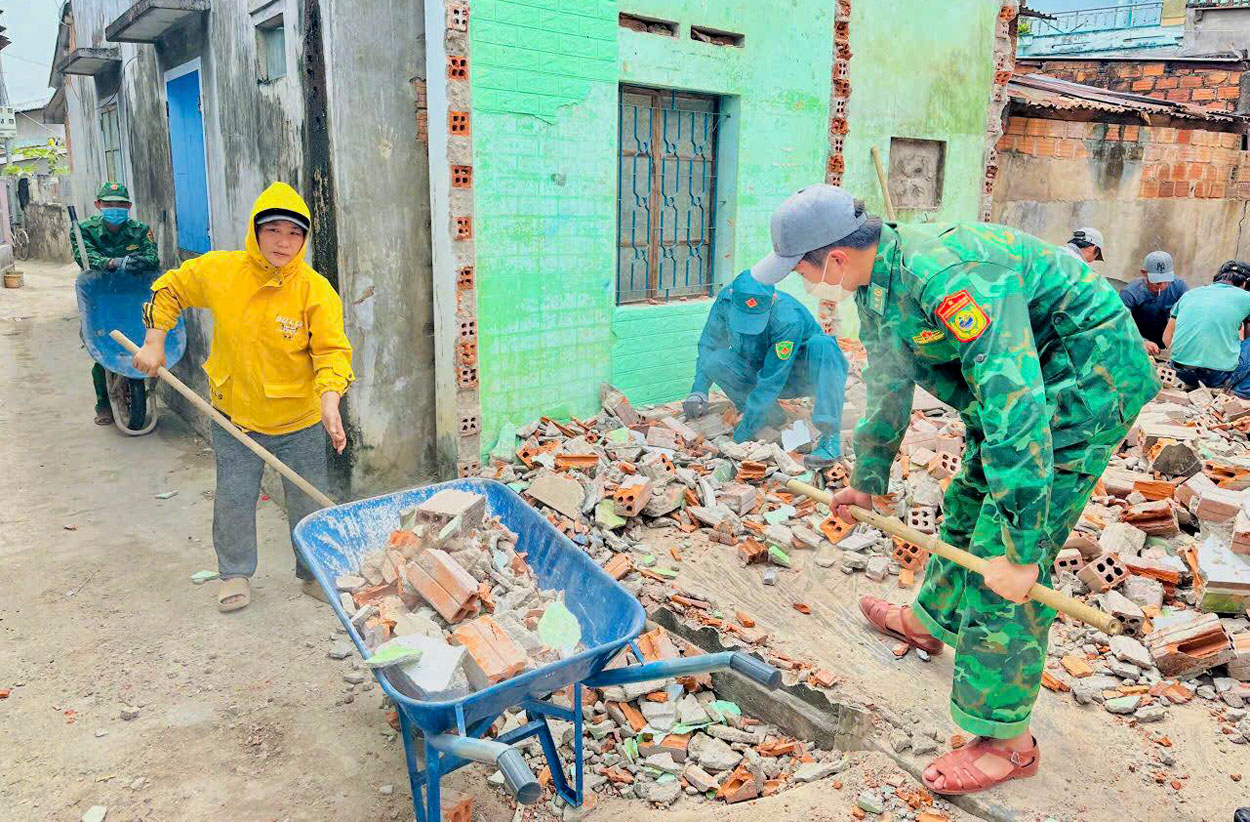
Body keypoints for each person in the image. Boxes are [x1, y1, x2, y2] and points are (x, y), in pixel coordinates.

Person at [770, 188, 1156, 795]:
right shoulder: (875, 285)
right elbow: (889, 382)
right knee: (970, 499)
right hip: (1020, 382)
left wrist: (1024, 549)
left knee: (1000, 557)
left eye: (802, 268)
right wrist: (868, 482)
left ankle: (1008, 741)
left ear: (836, 258)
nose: (803, 280)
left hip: (1085, 379)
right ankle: (931, 620)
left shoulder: (949, 281)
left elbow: (1016, 408)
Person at [132, 182, 354, 613]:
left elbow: (331, 351)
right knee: (234, 495)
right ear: (255, 231)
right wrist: (155, 341)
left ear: (304, 240)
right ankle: (234, 573)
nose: (283, 242)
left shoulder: (315, 290)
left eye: (294, 233)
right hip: (236, 415)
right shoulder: (223, 272)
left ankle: (312, 572)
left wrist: (330, 399)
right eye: (273, 230)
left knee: (308, 499)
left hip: (300, 419)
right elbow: (170, 288)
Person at [685, 185, 853, 466]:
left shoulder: (787, 318)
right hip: (759, 367)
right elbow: (709, 343)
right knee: (715, 360)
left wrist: (741, 435)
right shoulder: (726, 301)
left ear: (772, 301)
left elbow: (773, 378)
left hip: (796, 376)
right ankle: (771, 415)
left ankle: (829, 436)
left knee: (824, 345)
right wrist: (698, 389)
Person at [72, 181, 161, 425]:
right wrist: (111, 263)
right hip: (100, 296)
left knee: (142, 338)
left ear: (129, 206)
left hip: (132, 294)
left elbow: (153, 255)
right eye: (109, 204)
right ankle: (103, 403)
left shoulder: (140, 230)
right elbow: (84, 256)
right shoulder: (84, 230)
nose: (115, 208)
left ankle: (141, 389)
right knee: (101, 351)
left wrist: (141, 262)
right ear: (98, 205)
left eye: (120, 205)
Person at [1163, 260, 1250, 398]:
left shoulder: (1190, 294)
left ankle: (1197, 385)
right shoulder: (1247, 297)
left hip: (1181, 372)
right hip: (1217, 376)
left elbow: (1167, 337)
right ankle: (1236, 393)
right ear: (1245, 283)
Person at [1120, 250, 1187, 356]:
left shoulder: (1179, 287)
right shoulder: (1130, 294)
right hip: (1138, 344)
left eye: (1167, 280)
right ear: (1144, 273)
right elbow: (1120, 325)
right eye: (1157, 282)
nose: (1163, 285)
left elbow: (1188, 318)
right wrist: (1141, 342)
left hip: (1170, 346)